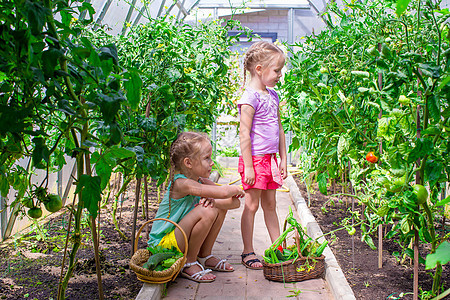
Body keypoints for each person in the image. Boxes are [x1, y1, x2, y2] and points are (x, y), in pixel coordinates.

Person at [148, 131, 244, 283]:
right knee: (207, 210)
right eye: (207, 158)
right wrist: (238, 189)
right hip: (164, 245)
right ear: (188, 163)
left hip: (179, 238)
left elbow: (234, 203)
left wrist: (214, 202)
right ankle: (189, 262)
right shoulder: (181, 184)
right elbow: (225, 192)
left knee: (215, 208)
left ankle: (204, 256)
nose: (211, 162)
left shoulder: (200, 181)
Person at [237, 41, 288, 270]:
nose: (279, 75)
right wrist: (248, 166)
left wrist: (283, 159)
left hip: (270, 161)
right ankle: (248, 251)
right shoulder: (250, 98)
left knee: (270, 205)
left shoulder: (273, 95)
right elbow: (244, 135)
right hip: (255, 161)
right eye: (276, 70)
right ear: (259, 69)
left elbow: (279, 129)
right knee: (251, 205)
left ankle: (278, 248)